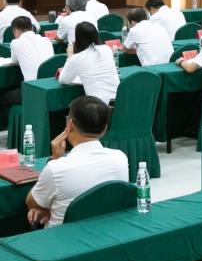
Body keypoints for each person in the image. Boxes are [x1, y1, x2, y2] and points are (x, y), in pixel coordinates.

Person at [26, 96, 131, 227]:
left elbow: (32, 202)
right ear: (104, 129)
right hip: (109, 230)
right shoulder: (120, 158)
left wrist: (55, 160)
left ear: (70, 124)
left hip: (64, 237)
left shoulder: (56, 168)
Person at [59, 22, 119, 104]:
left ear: (78, 38)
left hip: (98, 106)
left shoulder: (76, 58)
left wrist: (70, 57)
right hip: (118, 100)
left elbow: (63, 80)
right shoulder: (107, 49)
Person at [5, 17, 56, 108]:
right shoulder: (46, 40)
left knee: (3, 98)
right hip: (52, 86)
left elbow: (15, 61)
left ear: (16, 30)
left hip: (33, 89)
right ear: (32, 28)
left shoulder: (15, 43)